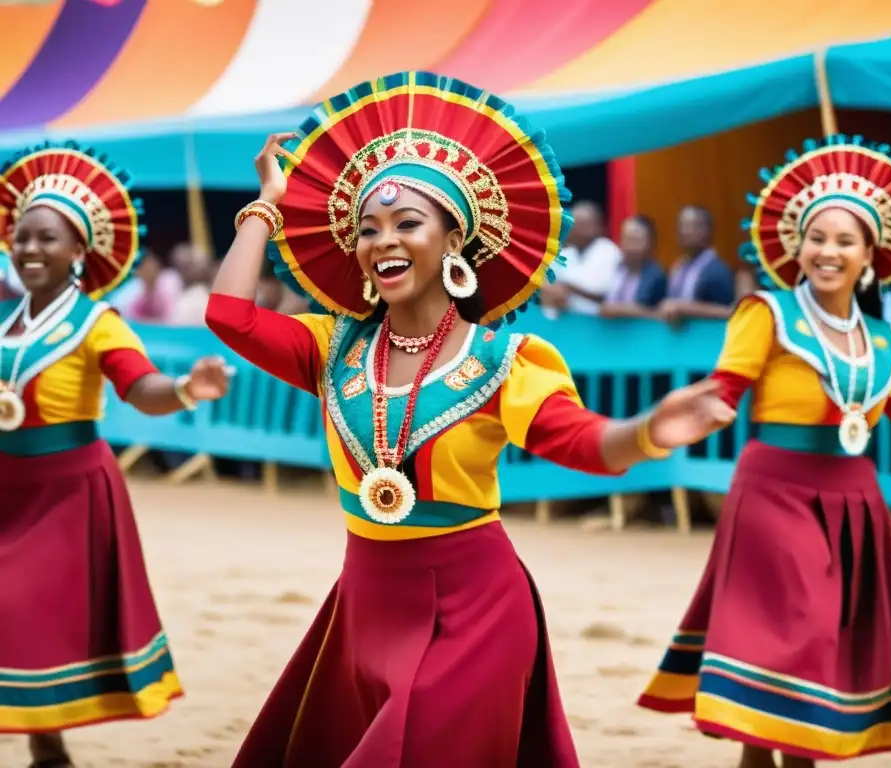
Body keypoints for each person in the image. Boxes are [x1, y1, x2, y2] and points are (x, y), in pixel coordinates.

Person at [204, 71, 732, 768]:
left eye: (407, 223)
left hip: (474, 612)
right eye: (368, 228)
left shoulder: (503, 361)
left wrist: (648, 432)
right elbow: (228, 315)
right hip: (364, 606)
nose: (382, 240)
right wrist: (264, 207)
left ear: (455, 238)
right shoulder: (332, 347)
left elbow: (580, 440)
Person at [637, 136, 891, 768]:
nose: (829, 251)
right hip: (773, 494)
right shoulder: (767, 312)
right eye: (818, 238)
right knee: (801, 629)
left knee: (822, 644)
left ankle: (768, 758)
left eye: (846, 241)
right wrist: (665, 426)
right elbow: (724, 389)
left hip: (853, 503)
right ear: (797, 246)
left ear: (870, 256)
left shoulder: (882, 339)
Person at [0, 142, 231, 767]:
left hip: (67, 496)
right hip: (6, 490)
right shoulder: (5, 324)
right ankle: (49, 749)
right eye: (21, 239)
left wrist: (186, 389)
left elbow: (140, 388)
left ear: (79, 252)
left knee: (19, 604)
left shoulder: (98, 322)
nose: (29, 251)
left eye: (47, 239)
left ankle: (48, 748)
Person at [539, 200, 622, 316]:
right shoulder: (566, 254)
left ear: (598, 227)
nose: (575, 228)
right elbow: (543, 279)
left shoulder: (607, 250)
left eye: (583, 224)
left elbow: (600, 292)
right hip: (568, 321)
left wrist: (566, 288)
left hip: (598, 324)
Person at [657, 205, 735, 323]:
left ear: (706, 230)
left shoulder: (717, 270)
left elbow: (729, 312)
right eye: (681, 226)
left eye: (690, 226)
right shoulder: (678, 267)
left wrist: (685, 308)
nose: (683, 232)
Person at [599, 214, 668, 318]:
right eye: (626, 239)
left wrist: (625, 310)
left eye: (636, 240)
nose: (630, 246)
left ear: (650, 243)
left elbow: (660, 315)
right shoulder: (615, 268)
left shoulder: (657, 277)